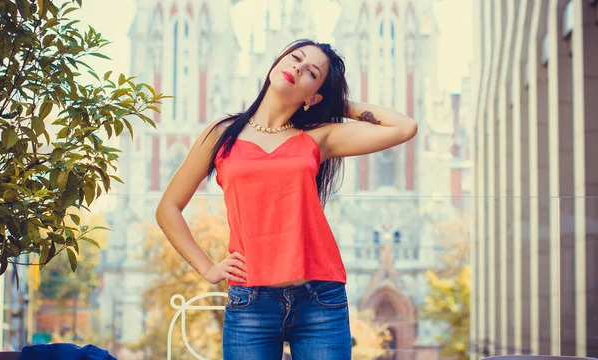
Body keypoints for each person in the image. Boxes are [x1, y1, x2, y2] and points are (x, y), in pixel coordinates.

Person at [155, 39, 418, 359]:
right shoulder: (223, 133)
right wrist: (208, 268)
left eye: (311, 73)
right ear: (277, 62)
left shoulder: (318, 137)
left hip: (319, 300)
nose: (297, 67)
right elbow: (168, 208)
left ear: (314, 95)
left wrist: (337, 103)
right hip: (250, 303)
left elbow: (404, 127)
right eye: (295, 58)